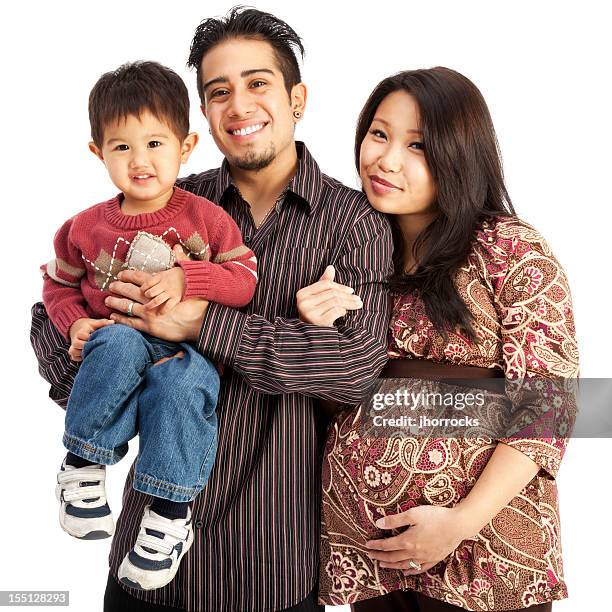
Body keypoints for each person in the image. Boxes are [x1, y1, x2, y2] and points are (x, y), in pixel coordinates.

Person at [30, 7, 393, 611]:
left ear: (297, 98)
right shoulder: (167, 198)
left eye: (258, 83)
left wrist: (203, 324)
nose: (240, 106)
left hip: (273, 562)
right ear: (202, 116)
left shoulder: (353, 222)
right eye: (219, 91)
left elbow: (354, 368)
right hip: (144, 567)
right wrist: (101, 352)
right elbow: (49, 316)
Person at [312, 68, 579, 610]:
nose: (386, 160)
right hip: (370, 555)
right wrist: (313, 326)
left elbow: (548, 405)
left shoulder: (511, 249)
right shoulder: (352, 251)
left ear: (460, 155)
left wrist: (458, 524)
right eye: (379, 134)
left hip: (482, 554)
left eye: (418, 146)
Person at [42, 60, 258, 591]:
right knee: (113, 340)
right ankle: (83, 465)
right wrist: (73, 325)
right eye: (122, 147)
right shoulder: (82, 228)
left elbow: (244, 278)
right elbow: (57, 287)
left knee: (182, 387)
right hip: (118, 344)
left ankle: (169, 516)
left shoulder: (204, 217)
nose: (140, 161)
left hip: (187, 353)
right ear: (98, 152)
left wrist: (189, 279)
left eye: (156, 144)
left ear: (186, 147)